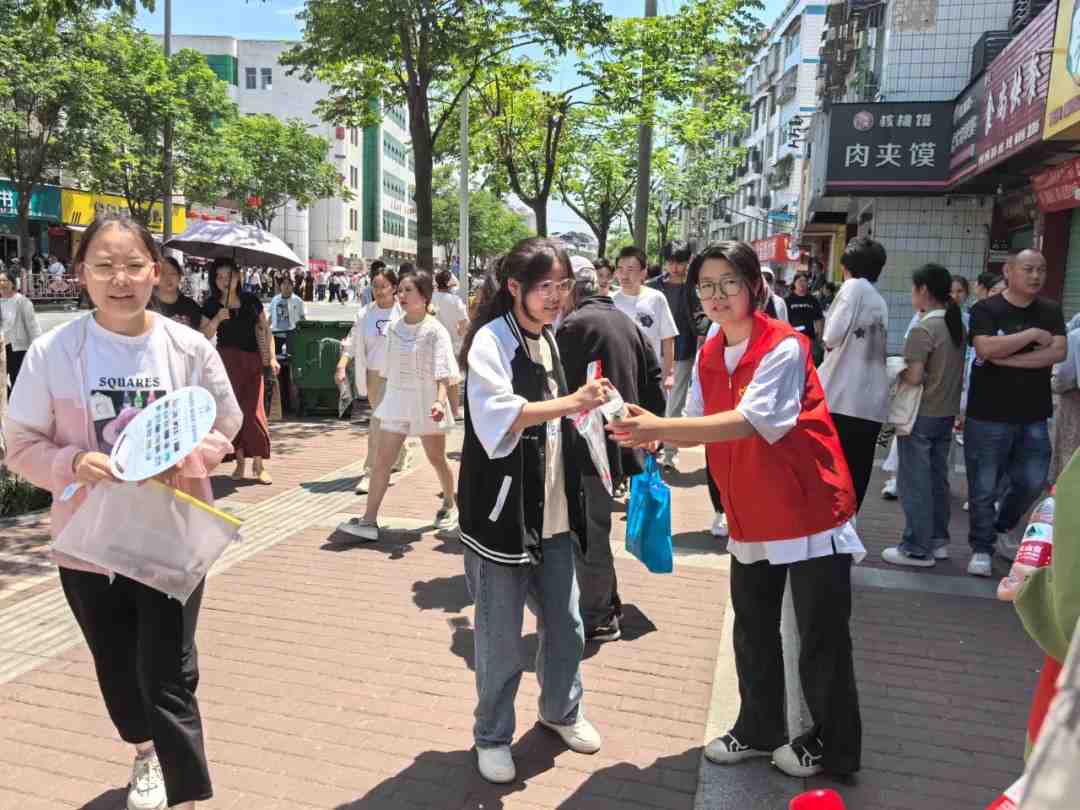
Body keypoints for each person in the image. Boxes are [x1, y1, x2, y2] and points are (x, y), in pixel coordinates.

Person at [3, 215, 242, 810]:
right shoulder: (54, 352)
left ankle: (185, 792)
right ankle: (145, 752)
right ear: (81, 273)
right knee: (114, 661)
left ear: (154, 273)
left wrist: (191, 458)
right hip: (88, 545)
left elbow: (225, 422)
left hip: (170, 535)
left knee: (168, 668)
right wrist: (71, 462)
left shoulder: (188, 348)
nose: (121, 279)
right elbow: (20, 445)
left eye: (134, 265)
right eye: (105, 266)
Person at [608, 240, 862, 781]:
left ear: (754, 287)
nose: (717, 295)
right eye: (706, 286)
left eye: (729, 283)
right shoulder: (709, 350)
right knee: (752, 625)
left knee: (820, 635)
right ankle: (759, 727)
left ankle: (832, 744)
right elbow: (698, 424)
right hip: (750, 510)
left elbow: (750, 421)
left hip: (808, 508)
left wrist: (659, 426)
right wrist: (650, 432)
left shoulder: (784, 346)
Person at [456, 237, 611, 784]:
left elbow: (556, 420)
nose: (555, 296)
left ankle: (561, 710)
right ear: (514, 287)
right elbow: (497, 415)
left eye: (562, 286)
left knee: (567, 624)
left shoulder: (548, 339)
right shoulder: (491, 341)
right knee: (500, 638)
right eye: (544, 286)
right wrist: (573, 402)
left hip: (554, 510)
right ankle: (492, 735)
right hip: (503, 515)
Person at [557, 255, 665, 643]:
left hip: (588, 447)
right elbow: (655, 378)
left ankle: (599, 615)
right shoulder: (624, 321)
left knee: (589, 531)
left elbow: (558, 391)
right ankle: (607, 601)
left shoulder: (573, 326)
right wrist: (651, 431)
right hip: (621, 441)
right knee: (595, 527)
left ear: (572, 290)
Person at [965, 250, 1067, 576]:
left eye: (1041, 270)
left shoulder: (1050, 310)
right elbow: (984, 347)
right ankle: (981, 548)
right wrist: (1033, 336)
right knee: (984, 485)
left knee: (1033, 480)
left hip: (1033, 413)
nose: (1036, 276)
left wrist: (1006, 358)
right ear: (1008, 271)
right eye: (1028, 269)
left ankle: (1001, 525)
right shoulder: (985, 309)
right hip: (988, 413)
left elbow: (1058, 352)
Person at [337, 270, 459, 540]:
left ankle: (450, 503)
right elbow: (387, 371)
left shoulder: (436, 330)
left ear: (424, 297)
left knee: (436, 458)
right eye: (400, 290)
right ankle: (369, 521)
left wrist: (440, 402)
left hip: (428, 402)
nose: (401, 296)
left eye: (408, 291)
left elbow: (443, 372)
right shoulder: (393, 327)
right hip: (397, 400)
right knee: (382, 461)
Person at [882, 264, 967, 567]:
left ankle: (916, 548)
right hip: (945, 413)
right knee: (936, 479)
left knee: (914, 482)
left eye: (913, 288)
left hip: (921, 413)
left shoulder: (923, 329)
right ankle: (938, 541)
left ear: (924, 291)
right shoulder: (956, 325)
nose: (911, 294)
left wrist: (895, 367)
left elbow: (915, 376)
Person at [818, 237, 889, 511]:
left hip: (842, 396)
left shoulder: (852, 287)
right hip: (872, 402)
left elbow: (831, 336)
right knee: (859, 470)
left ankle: (832, 525)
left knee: (834, 468)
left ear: (847, 265)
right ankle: (850, 522)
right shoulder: (879, 300)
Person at [202, 258, 278, 484]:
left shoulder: (251, 301)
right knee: (233, 413)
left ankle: (259, 464)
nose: (225, 281)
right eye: (220, 277)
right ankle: (240, 462)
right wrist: (217, 318)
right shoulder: (211, 304)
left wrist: (272, 357)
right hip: (226, 363)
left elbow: (265, 330)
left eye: (229, 276)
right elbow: (203, 335)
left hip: (252, 361)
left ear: (238, 277)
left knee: (254, 412)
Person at [336, 265, 410, 493]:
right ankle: (401, 452)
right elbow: (352, 341)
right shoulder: (365, 314)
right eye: (375, 286)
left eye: (383, 286)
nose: (379, 291)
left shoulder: (404, 312)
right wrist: (342, 365)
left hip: (397, 376)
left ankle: (372, 472)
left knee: (378, 423)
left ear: (394, 287)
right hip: (372, 376)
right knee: (388, 422)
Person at [648, 241, 708, 471]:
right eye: (671, 262)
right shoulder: (653, 287)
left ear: (687, 262)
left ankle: (669, 453)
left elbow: (702, 317)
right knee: (653, 399)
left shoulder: (694, 289)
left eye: (680, 263)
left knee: (675, 403)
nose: (675, 267)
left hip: (682, 352)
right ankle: (651, 447)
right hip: (654, 352)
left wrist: (702, 335)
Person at [613, 246, 678, 398]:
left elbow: (668, 337)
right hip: (620, 375)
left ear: (643, 272)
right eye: (620, 269)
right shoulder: (611, 301)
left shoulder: (656, 298)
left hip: (650, 374)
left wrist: (669, 373)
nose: (624, 275)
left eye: (630, 269)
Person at [433, 269, 469, 419]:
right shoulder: (455, 300)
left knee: (435, 377)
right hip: (452, 342)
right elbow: (464, 322)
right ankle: (454, 411)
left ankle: (436, 407)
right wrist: (460, 334)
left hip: (433, 341)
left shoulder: (430, 298)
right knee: (453, 378)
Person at [269, 275, 306, 415]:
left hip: (292, 335)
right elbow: (270, 317)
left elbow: (302, 318)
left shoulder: (298, 301)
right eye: (283, 284)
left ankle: (293, 401)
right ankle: (280, 400)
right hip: (277, 335)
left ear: (293, 286)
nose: (286, 287)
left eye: (289, 284)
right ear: (280, 286)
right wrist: (264, 329)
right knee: (278, 367)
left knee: (292, 366)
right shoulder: (275, 300)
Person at [0, 269, 42, 391]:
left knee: (17, 381)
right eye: (0, 281)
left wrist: (37, 348)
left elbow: (33, 327)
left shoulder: (22, 301)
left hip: (17, 348)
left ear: (13, 283)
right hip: (2, 346)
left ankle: (16, 401)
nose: (2, 283)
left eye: (5, 280)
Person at [1051, 314, 1080, 483]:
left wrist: (1053, 384)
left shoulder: (1076, 336)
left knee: (1070, 450)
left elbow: (1063, 377)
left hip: (1074, 406)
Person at [156, 257, 208, 333]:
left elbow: (200, 334)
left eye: (172, 273)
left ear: (180, 277)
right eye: (163, 273)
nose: (168, 278)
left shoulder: (190, 306)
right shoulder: (147, 305)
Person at [785, 271, 825, 363]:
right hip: (793, 339)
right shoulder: (787, 300)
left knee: (811, 363)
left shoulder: (813, 300)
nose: (802, 283)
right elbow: (783, 319)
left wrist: (819, 337)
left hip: (809, 337)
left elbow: (819, 319)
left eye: (805, 281)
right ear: (794, 283)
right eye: (800, 281)